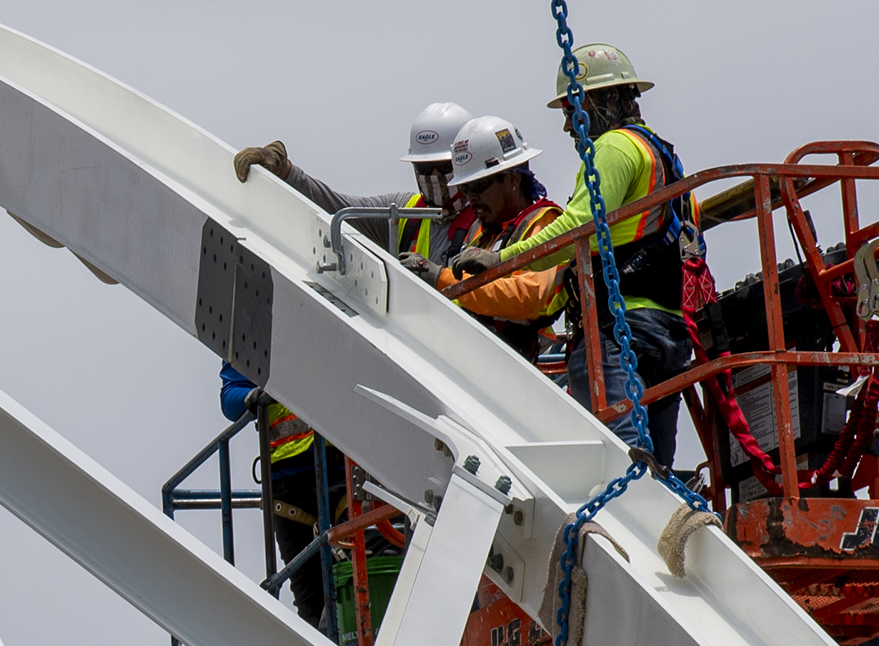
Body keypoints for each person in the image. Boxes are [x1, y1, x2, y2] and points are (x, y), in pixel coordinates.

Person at [454, 46, 695, 469]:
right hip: (667, 329)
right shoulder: (662, 154)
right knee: (657, 466)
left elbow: (579, 227)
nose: (568, 125)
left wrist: (501, 261)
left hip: (619, 328)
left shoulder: (614, 148)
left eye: (572, 109)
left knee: (622, 459)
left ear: (602, 102)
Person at [232, 101, 477, 268]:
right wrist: (286, 171)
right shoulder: (404, 212)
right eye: (424, 169)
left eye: (443, 168)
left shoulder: (486, 224)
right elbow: (336, 206)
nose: (433, 177)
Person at [402, 115, 567, 362]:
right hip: (475, 353)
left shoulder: (542, 222)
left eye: (479, 187)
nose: (471, 198)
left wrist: (441, 278)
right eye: (466, 189)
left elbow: (527, 296)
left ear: (512, 179)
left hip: (513, 360)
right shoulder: (485, 231)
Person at [218, 363, 347, 628]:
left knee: (365, 573)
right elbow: (231, 398)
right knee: (311, 606)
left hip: (341, 471)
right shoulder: (252, 328)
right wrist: (251, 398)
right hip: (287, 489)